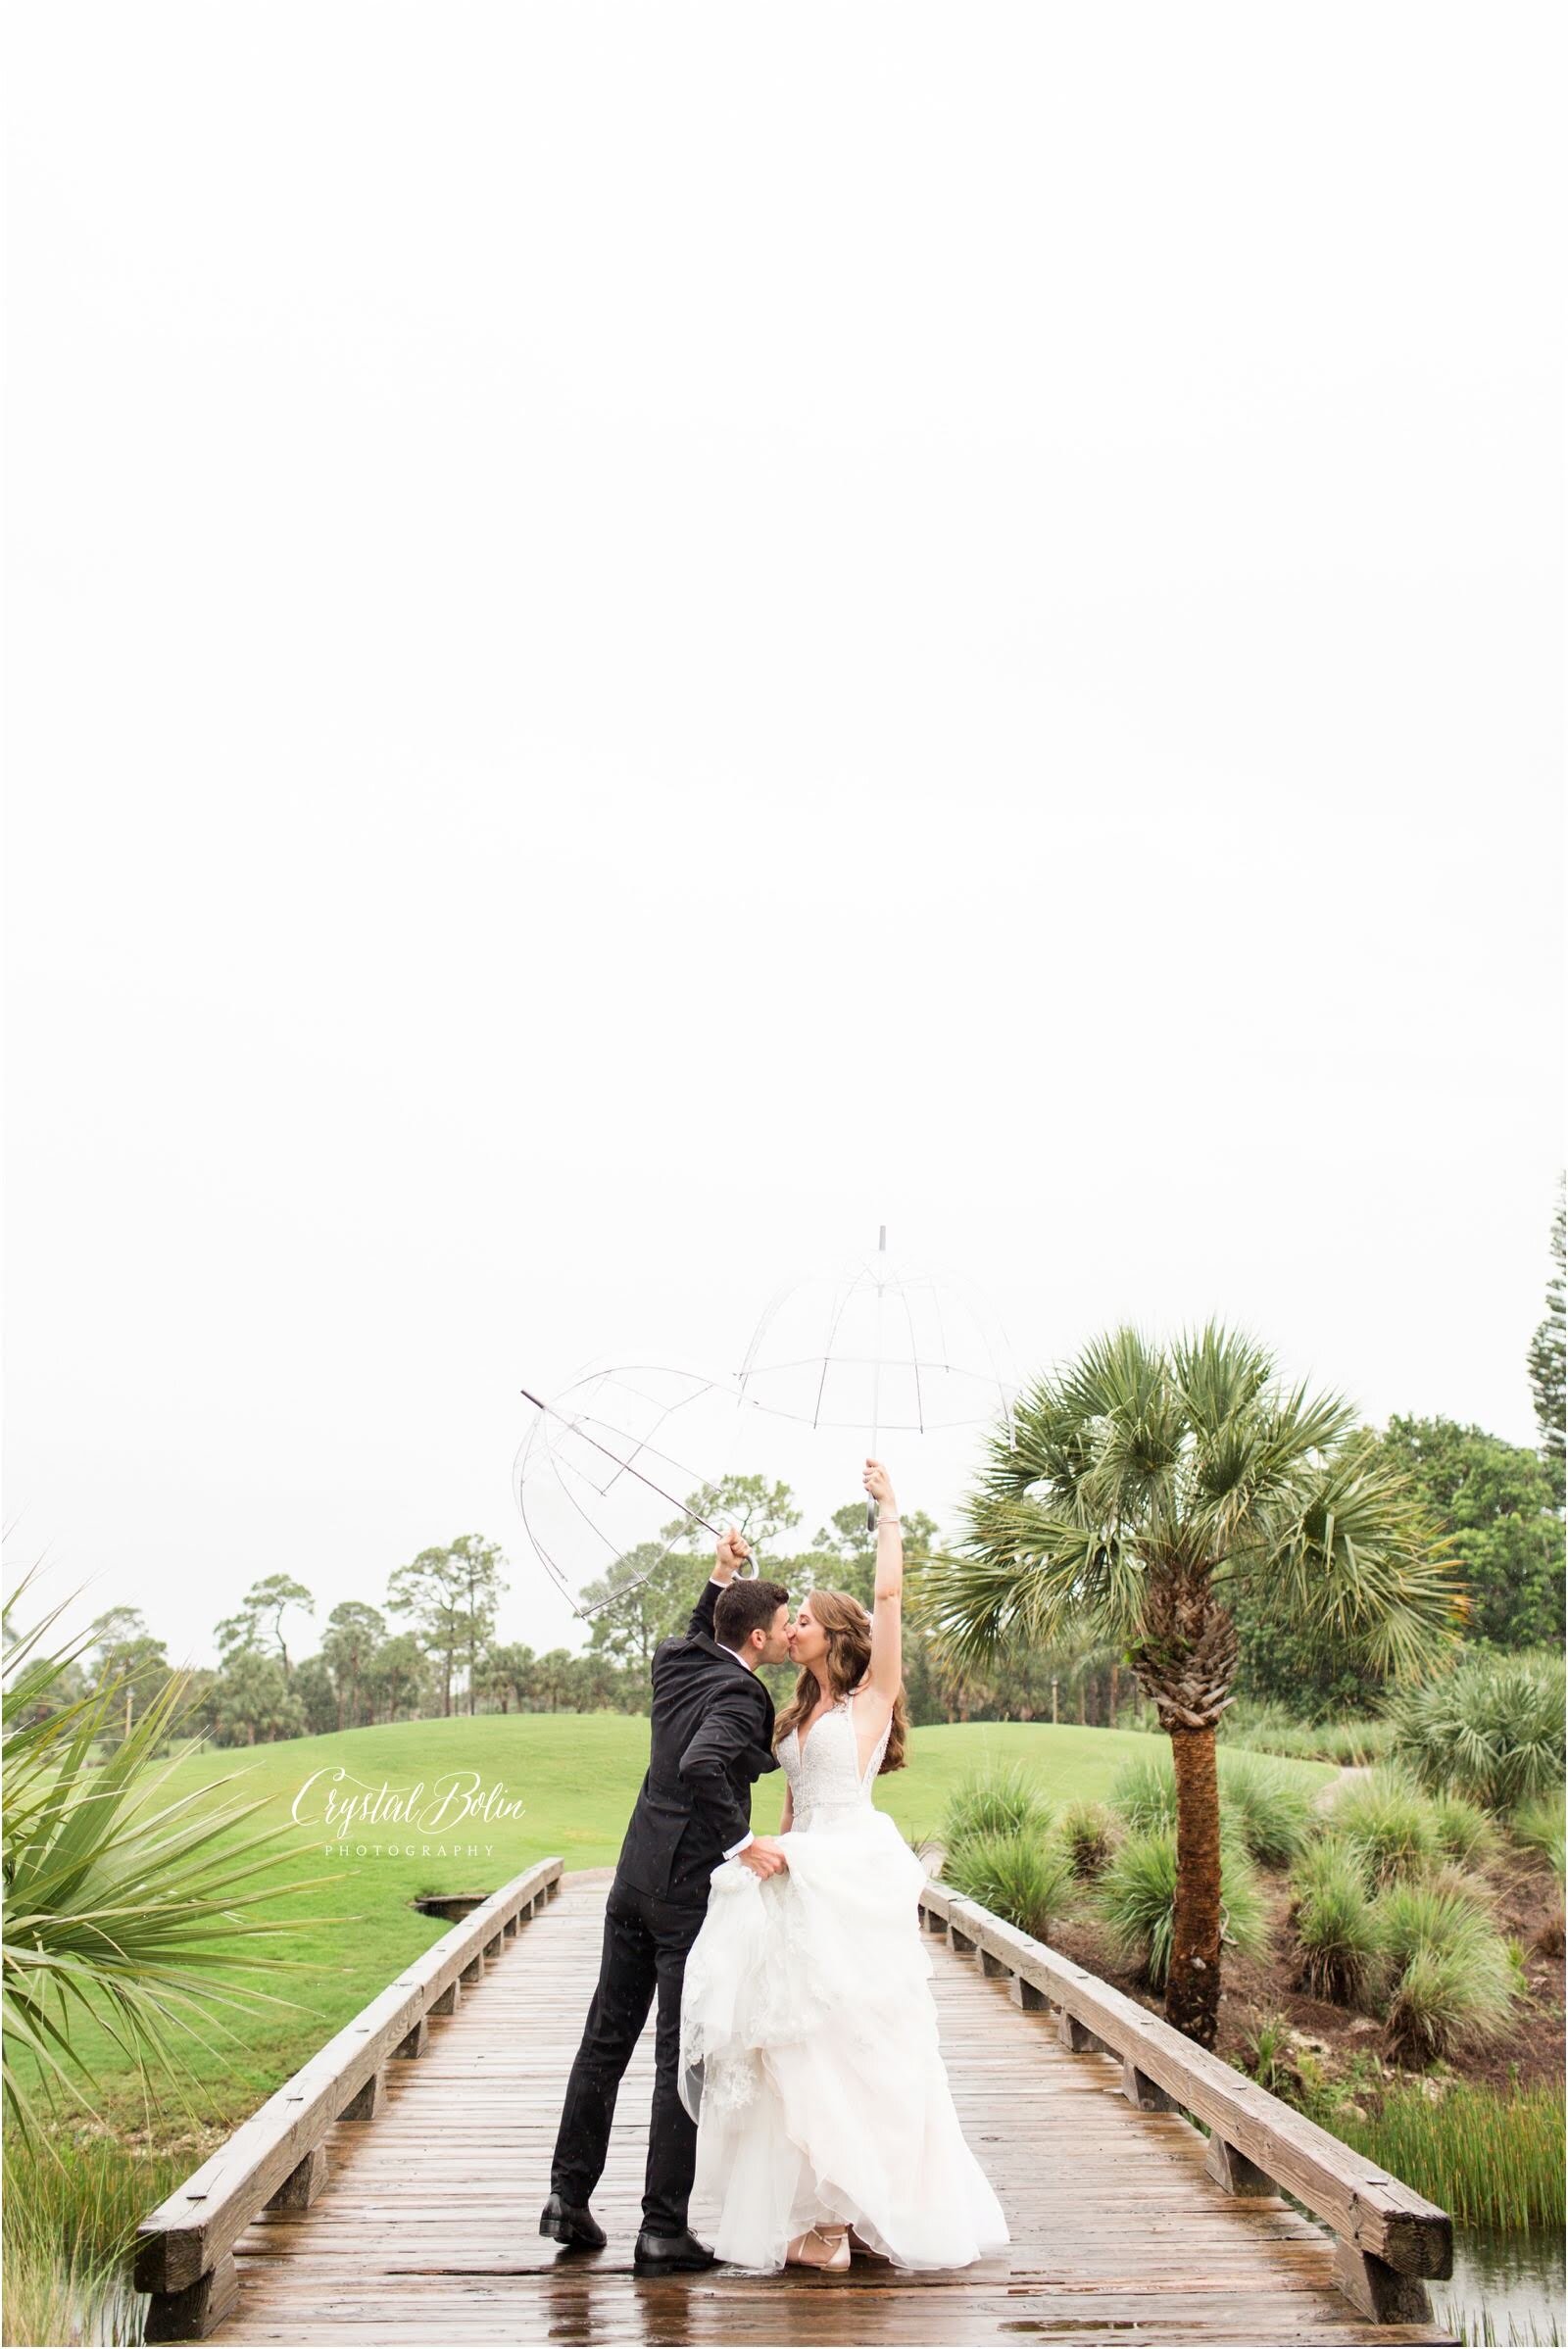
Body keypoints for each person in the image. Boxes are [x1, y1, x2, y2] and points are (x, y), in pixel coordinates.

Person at [677, 1460, 1010, 2272]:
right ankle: (825, 2218)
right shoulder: (792, 1711)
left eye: (807, 1621)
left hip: (851, 1870)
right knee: (797, 2043)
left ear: (836, 1635)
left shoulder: (871, 1699)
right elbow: (790, 1802)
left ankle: (863, 2210)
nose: (794, 1627)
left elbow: (890, 1603)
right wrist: (768, 1856)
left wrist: (889, 1512)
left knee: (861, 2038)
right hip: (800, 1871)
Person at [540, 1536, 794, 2276]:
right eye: (781, 1624)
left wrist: (719, 1573)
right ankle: (661, 2229)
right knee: (676, 2057)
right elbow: (703, 1762)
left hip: (630, 1880)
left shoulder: (677, 1659)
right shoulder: (742, 1693)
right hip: (684, 1897)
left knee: (603, 2041)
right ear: (756, 1638)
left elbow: (696, 1627)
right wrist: (744, 1838)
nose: (787, 1631)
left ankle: (566, 2196)